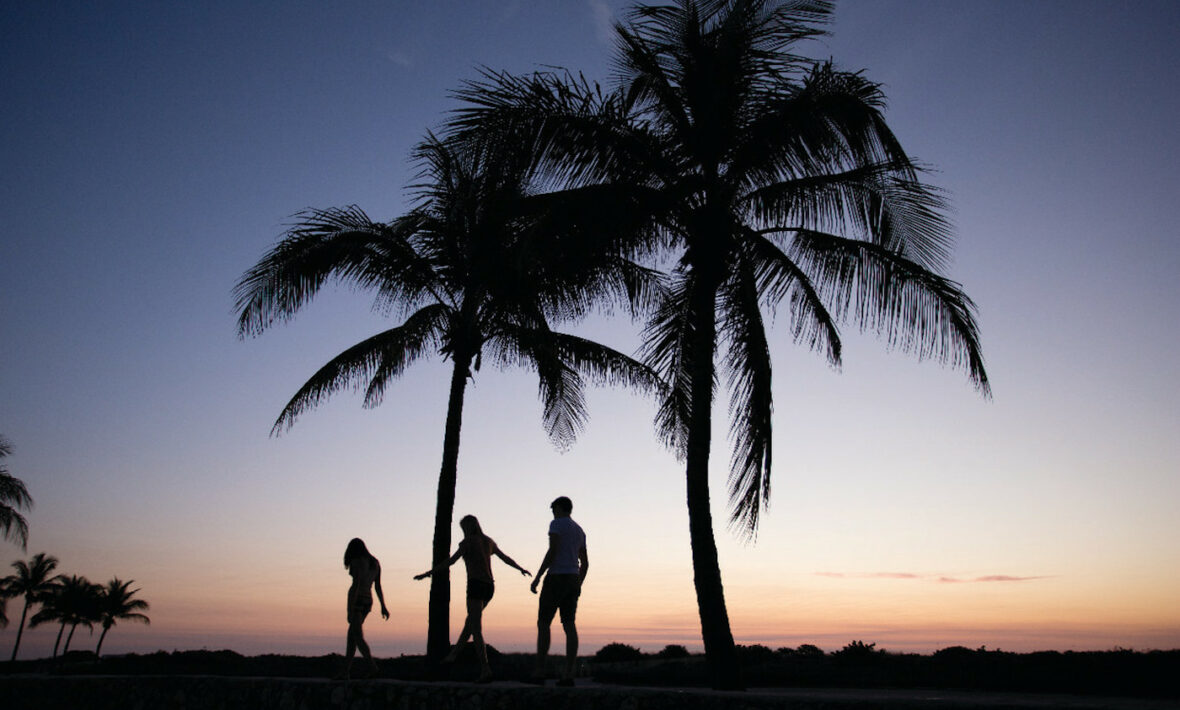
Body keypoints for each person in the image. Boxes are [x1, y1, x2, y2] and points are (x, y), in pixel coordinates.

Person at [414, 514, 530, 682]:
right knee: (470, 623)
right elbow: (505, 558)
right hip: (490, 587)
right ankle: (452, 656)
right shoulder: (489, 541)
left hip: (476, 585)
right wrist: (520, 568)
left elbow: (451, 561)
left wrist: (428, 573)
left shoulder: (467, 542)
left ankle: (485, 669)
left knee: (476, 629)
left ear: (468, 527)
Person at [530, 496, 587, 686]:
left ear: (560, 508)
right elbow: (585, 563)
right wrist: (578, 582)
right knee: (569, 624)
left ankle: (539, 671)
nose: (553, 512)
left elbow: (552, 551)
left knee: (544, 622)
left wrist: (538, 576)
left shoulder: (556, 524)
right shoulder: (579, 530)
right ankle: (569, 674)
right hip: (572, 578)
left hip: (556, 577)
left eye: (554, 508)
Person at [342, 538, 389, 679]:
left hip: (358, 600)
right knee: (352, 637)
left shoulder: (357, 561)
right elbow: (378, 586)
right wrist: (383, 606)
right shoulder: (375, 563)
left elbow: (356, 585)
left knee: (357, 636)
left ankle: (373, 667)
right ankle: (345, 672)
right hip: (368, 601)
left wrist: (350, 608)